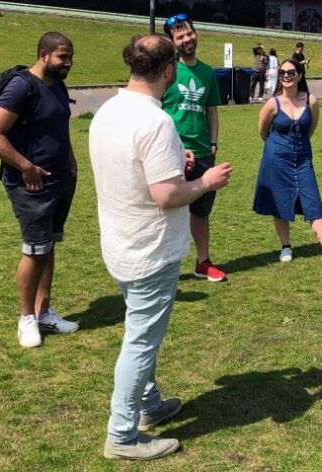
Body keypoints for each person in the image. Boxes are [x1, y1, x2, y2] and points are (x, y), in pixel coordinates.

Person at [90, 34, 232, 461]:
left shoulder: (109, 110)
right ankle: (122, 434)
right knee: (141, 341)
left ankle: (149, 405)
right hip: (148, 251)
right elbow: (167, 196)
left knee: (141, 331)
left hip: (119, 244)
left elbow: (139, 171)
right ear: (169, 71)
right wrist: (204, 181)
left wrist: (177, 163)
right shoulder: (156, 121)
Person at [0, 32, 78, 348]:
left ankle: (44, 313)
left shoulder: (57, 85)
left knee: (48, 247)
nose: (68, 63)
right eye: (62, 57)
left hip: (60, 179)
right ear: (43, 54)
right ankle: (26, 319)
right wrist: (26, 166)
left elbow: (57, 129)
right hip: (31, 184)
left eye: (70, 57)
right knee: (34, 250)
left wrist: (71, 162)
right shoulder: (22, 86)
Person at [253, 58, 322, 269]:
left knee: (312, 199)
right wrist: (278, 148)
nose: (286, 76)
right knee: (280, 201)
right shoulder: (272, 103)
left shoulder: (311, 101)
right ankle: (285, 246)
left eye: (291, 72)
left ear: (300, 75)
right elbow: (263, 131)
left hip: (303, 159)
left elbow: (310, 129)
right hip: (276, 159)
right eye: (283, 73)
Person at [160, 14, 226, 282]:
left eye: (189, 33)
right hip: (169, 152)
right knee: (166, 210)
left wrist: (212, 144)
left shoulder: (208, 72)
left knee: (200, 211)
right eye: (180, 36)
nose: (187, 39)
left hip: (201, 153)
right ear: (171, 41)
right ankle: (163, 268)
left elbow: (211, 111)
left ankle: (202, 262)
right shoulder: (165, 71)